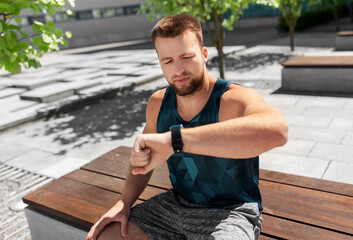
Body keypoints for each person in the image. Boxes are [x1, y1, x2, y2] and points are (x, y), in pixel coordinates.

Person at [86, 14, 288, 240]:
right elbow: (141, 164)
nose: (178, 70)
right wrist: (123, 202)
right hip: (176, 205)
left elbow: (277, 130)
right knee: (106, 236)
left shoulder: (233, 100)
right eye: (168, 61)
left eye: (186, 57)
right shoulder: (158, 104)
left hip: (232, 212)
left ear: (203, 55)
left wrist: (175, 141)